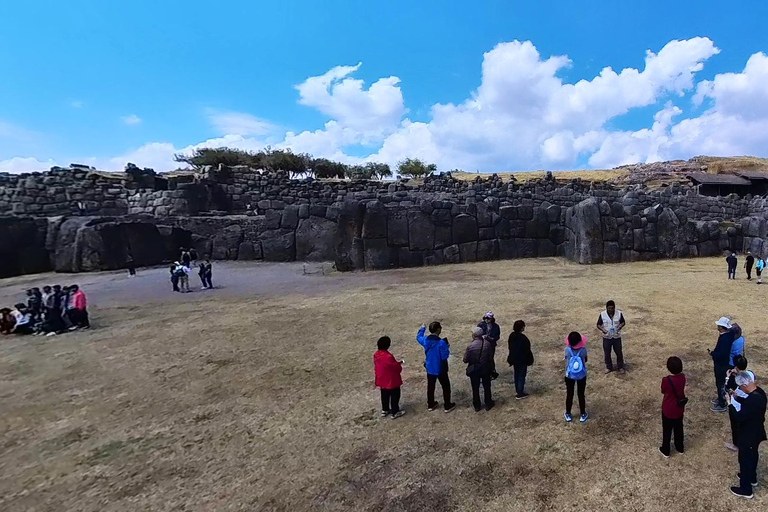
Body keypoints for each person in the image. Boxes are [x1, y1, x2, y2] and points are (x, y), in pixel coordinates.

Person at [726, 371, 766, 499]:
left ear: (744, 385)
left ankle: (746, 489)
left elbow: (738, 417)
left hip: (748, 435)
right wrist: (738, 397)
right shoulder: (760, 393)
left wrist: (730, 403)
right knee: (753, 455)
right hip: (757, 432)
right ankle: (752, 477)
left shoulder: (752, 401)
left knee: (744, 459)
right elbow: (749, 403)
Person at [416, 322, 456, 413]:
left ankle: (431, 404)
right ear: (438, 330)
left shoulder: (426, 340)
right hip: (440, 368)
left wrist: (422, 328)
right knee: (446, 387)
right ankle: (447, 405)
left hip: (430, 367)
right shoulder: (441, 343)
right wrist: (447, 347)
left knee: (431, 386)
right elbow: (444, 356)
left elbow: (418, 337)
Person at [724, 356, 755, 452]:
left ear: (736, 367)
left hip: (736, 406)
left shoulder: (735, 380)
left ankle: (736, 444)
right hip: (748, 404)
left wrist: (728, 377)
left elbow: (726, 389)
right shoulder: (750, 374)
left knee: (735, 426)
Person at [659, 356, 687, 458]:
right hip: (679, 409)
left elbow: (663, 391)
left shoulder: (666, 380)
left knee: (667, 430)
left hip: (668, 408)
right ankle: (680, 447)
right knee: (679, 428)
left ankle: (665, 450)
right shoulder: (683, 377)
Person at [464, 326, 495, 412]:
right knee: (487, 386)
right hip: (485, 368)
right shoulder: (487, 344)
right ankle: (488, 403)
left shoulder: (470, 346)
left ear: (474, 335)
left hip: (474, 369)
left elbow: (465, 360)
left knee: (475, 387)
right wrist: (492, 368)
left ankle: (477, 405)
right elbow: (490, 358)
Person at [374, 336, 405, 419]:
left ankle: (385, 409)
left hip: (382, 379)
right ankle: (395, 411)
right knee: (395, 395)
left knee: (384, 394)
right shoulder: (388, 356)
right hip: (391, 380)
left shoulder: (376, 355)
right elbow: (395, 367)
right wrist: (399, 365)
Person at [710, 317, 736, 412]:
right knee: (721, 384)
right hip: (723, 364)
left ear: (722, 327)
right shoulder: (729, 335)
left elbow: (722, 354)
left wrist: (713, 354)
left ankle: (722, 404)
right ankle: (721, 399)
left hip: (721, 365)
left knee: (721, 384)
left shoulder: (725, 339)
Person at [564, 331, 588, 423]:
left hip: (569, 375)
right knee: (581, 394)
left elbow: (566, 359)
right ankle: (582, 414)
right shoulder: (583, 350)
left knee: (569, 394)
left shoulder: (567, 350)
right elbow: (585, 359)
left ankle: (568, 413)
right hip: (581, 375)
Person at [597, 300, 626, 374]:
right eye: (609, 308)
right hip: (607, 337)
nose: (611, 310)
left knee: (619, 352)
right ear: (606, 308)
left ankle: (620, 367)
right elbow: (598, 324)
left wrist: (619, 327)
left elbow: (623, 322)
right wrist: (603, 330)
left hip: (616, 337)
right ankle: (609, 367)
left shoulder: (619, 314)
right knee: (607, 353)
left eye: (612, 308)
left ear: (614, 308)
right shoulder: (602, 314)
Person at [507, 320, 534, 399]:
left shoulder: (512, 336)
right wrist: (529, 360)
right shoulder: (523, 338)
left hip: (514, 359)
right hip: (522, 360)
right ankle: (520, 392)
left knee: (516, 374)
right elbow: (527, 350)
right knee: (521, 375)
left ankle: (517, 389)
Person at [477, 312, 500, 380]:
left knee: (490, 358)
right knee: (482, 359)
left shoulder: (496, 326)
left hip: (491, 345)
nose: (487, 320)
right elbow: (476, 334)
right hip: (482, 344)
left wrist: (491, 338)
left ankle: (492, 372)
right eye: (485, 318)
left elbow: (497, 336)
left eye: (488, 319)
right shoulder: (481, 325)